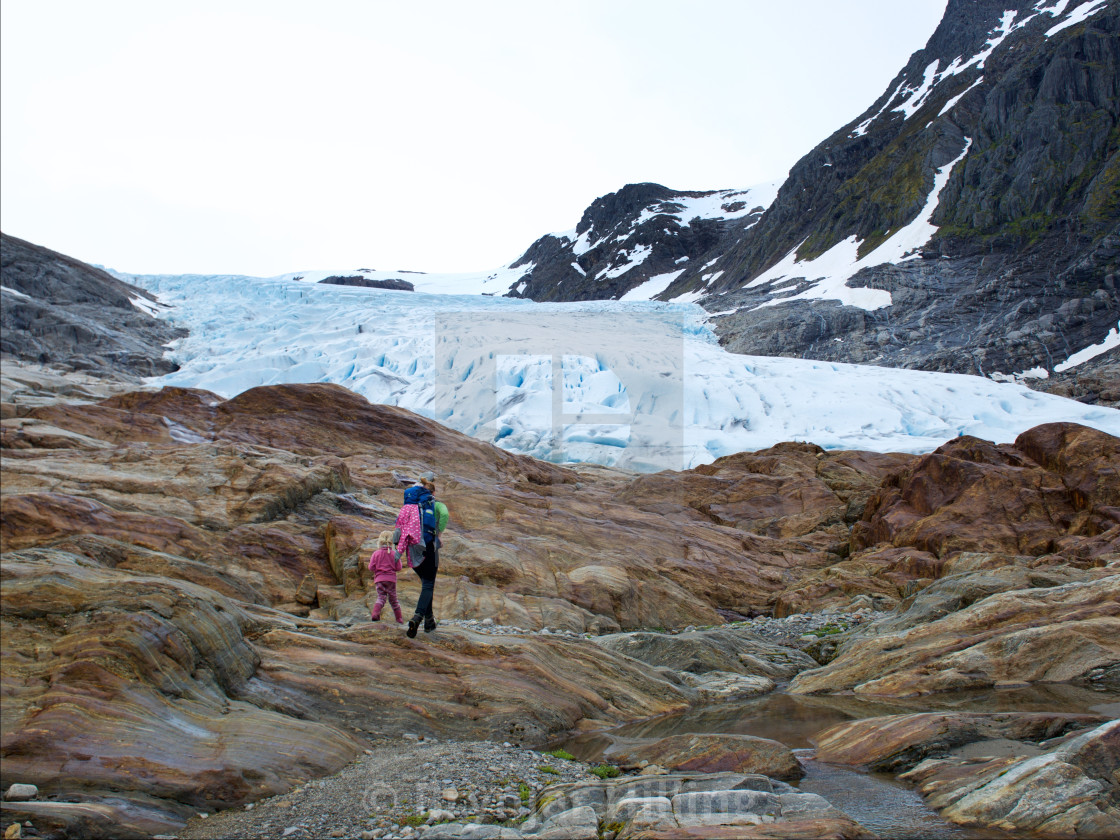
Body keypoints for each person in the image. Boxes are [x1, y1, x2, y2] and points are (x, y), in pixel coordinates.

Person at [393, 472, 448, 638]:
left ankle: (429, 621)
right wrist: (439, 534)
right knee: (429, 583)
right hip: (427, 544)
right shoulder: (434, 503)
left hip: (409, 545)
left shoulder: (410, 500)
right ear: (432, 489)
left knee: (425, 583)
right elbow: (444, 514)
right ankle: (417, 618)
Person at [368, 530, 403, 623]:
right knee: (394, 600)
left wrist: (378, 569)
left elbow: (371, 567)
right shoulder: (394, 554)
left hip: (379, 579)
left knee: (381, 597)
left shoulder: (376, 553)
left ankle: (375, 614)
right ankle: (399, 619)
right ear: (392, 542)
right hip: (391, 580)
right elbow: (399, 567)